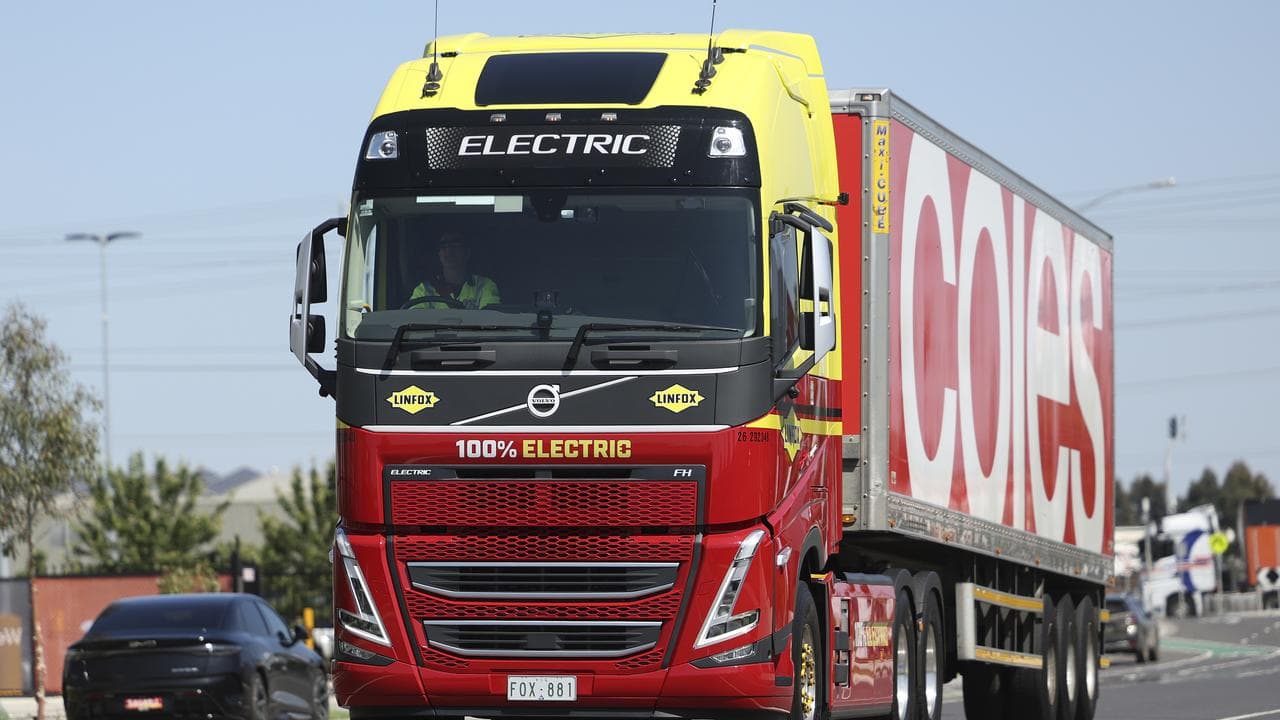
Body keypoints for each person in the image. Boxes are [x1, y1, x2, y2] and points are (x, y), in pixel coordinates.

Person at [409, 231, 500, 309]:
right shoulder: (424, 290)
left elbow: (490, 322)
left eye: (455, 245)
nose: (449, 250)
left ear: (467, 253)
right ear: (439, 254)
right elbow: (412, 321)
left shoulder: (485, 286)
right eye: (444, 246)